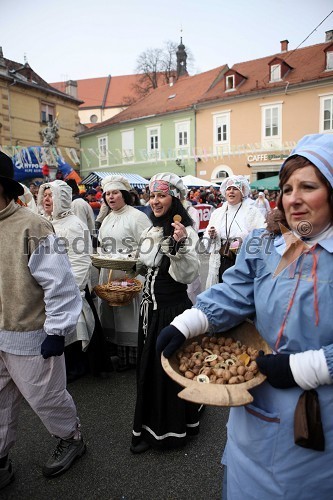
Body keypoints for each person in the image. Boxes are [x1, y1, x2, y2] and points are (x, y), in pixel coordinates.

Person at [157, 133, 333, 499]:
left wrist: (310, 367)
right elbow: (236, 290)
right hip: (257, 397)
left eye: (308, 186)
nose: (294, 199)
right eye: (286, 188)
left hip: (320, 413)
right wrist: (188, 322)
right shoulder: (267, 243)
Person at [0, 152, 85, 489]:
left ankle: (72, 437)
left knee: (46, 397)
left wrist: (56, 331)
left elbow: (60, 283)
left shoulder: (32, 225)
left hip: (29, 334)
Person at [130, 172, 201, 454]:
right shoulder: (153, 228)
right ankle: (147, 426)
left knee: (167, 371)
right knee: (150, 368)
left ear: (175, 198)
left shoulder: (185, 231)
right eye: (152, 195)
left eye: (161, 195)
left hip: (170, 311)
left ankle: (170, 430)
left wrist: (179, 247)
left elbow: (187, 275)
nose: (155, 201)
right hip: (151, 309)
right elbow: (146, 263)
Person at [98, 176, 151, 371]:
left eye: (115, 193)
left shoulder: (137, 216)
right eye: (108, 194)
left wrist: (132, 258)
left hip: (131, 274)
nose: (111, 197)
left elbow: (148, 244)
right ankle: (120, 355)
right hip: (111, 272)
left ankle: (134, 358)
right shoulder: (108, 218)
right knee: (114, 312)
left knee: (129, 314)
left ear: (124, 195)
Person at [203, 175, 265, 287]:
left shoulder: (252, 212)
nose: (231, 192)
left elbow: (262, 234)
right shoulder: (217, 213)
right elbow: (207, 234)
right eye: (228, 189)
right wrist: (212, 234)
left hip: (240, 260)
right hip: (220, 258)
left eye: (235, 189)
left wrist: (245, 238)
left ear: (242, 192)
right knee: (219, 290)